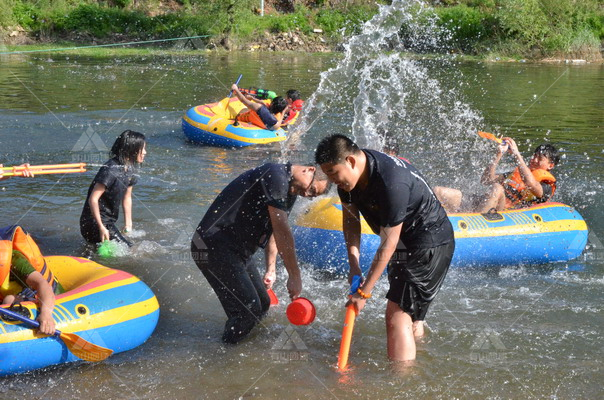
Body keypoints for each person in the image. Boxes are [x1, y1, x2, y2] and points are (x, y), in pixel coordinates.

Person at [315, 134, 455, 362]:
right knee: (408, 313)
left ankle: (399, 385)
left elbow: (388, 242)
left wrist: (363, 293)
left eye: (333, 173)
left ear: (350, 161)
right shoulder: (348, 181)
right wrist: (354, 264)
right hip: (403, 242)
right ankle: (420, 360)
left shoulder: (391, 181)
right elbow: (351, 220)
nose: (332, 181)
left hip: (429, 242)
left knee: (396, 316)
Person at [191, 162, 331, 344]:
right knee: (248, 310)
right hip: (213, 245)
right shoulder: (276, 175)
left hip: (237, 251)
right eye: (311, 190)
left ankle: (233, 341)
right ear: (310, 170)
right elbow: (282, 230)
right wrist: (294, 275)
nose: (306, 195)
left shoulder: (289, 191)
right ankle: (225, 354)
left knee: (263, 304)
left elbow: (274, 230)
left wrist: (271, 269)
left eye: (312, 196)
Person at [434, 138, 559, 213]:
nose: (534, 159)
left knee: (497, 188)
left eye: (540, 158)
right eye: (534, 155)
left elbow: (531, 184)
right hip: (486, 205)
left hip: (505, 213)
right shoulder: (516, 173)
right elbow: (486, 180)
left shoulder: (546, 185)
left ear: (550, 165)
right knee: (438, 191)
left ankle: (476, 224)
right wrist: (498, 154)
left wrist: (516, 154)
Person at [80, 130, 147, 247]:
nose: (145, 153)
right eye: (143, 149)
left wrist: (128, 224)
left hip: (108, 222)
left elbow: (127, 198)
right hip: (93, 222)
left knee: (122, 248)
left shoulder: (130, 170)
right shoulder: (111, 169)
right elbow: (93, 199)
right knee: (129, 249)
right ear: (132, 149)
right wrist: (101, 227)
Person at [0, 226, 64, 335]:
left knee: (9, 299)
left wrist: (46, 314)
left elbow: (42, 283)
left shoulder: (15, 260)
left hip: (36, 293)